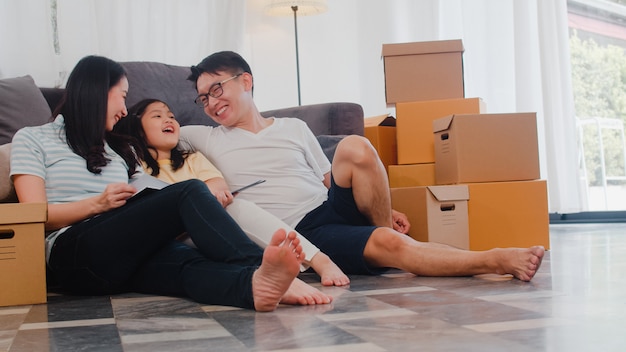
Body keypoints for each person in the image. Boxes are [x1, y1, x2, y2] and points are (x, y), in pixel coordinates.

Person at [180, 50, 546, 282]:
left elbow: (328, 180)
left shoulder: (294, 128)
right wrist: (207, 179)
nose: (210, 103)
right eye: (202, 98)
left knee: (356, 145)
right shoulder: (205, 138)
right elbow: (155, 131)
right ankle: (495, 259)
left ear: (245, 81)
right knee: (389, 241)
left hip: (328, 206)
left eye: (216, 89)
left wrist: (383, 206)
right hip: (303, 230)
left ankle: (385, 231)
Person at [9, 55, 332, 312]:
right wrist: (98, 204)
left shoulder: (118, 149)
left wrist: (200, 210)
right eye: (121, 97)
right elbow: (36, 216)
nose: (124, 109)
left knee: (188, 264)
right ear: (95, 92)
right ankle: (258, 266)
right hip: (71, 252)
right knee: (189, 190)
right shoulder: (34, 138)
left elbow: (151, 192)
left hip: (120, 258)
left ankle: (254, 287)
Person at [112, 98, 349, 286]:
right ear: (136, 127)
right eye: (158, 115)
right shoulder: (131, 160)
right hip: (162, 233)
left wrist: (216, 195)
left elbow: (216, 184)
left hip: (200, 228)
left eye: (171, 116)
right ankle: (269, 269)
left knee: (237, 207)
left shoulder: (191, 159)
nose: (169, 120)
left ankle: (317, 259)